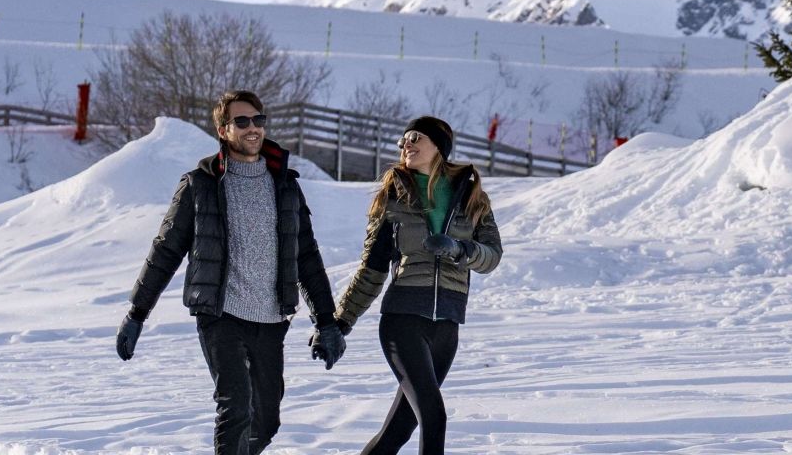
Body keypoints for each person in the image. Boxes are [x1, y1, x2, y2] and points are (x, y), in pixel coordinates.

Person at [114, 90, 347, 455]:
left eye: (258, 120)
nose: (253, 128)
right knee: (235, 407)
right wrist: (136, 313)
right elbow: (165, 251)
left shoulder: (285, 185)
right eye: (242, 121)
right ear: (224, 130)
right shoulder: (200, 185)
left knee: (266, 422)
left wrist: (327, 322)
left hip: (271, 318)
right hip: (220, 314)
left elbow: (307, 258)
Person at [335, 115, 505, 455]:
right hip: (403, 320)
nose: (405, 144)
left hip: (447, 327)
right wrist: (340, 322)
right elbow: (371, 269)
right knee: (434, 416)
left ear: (438, 146)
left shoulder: (471, 197)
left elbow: (493, 256)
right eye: (402, 141)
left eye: (414, 137)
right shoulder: (393, 198)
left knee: (396, 433)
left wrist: (462, 249)